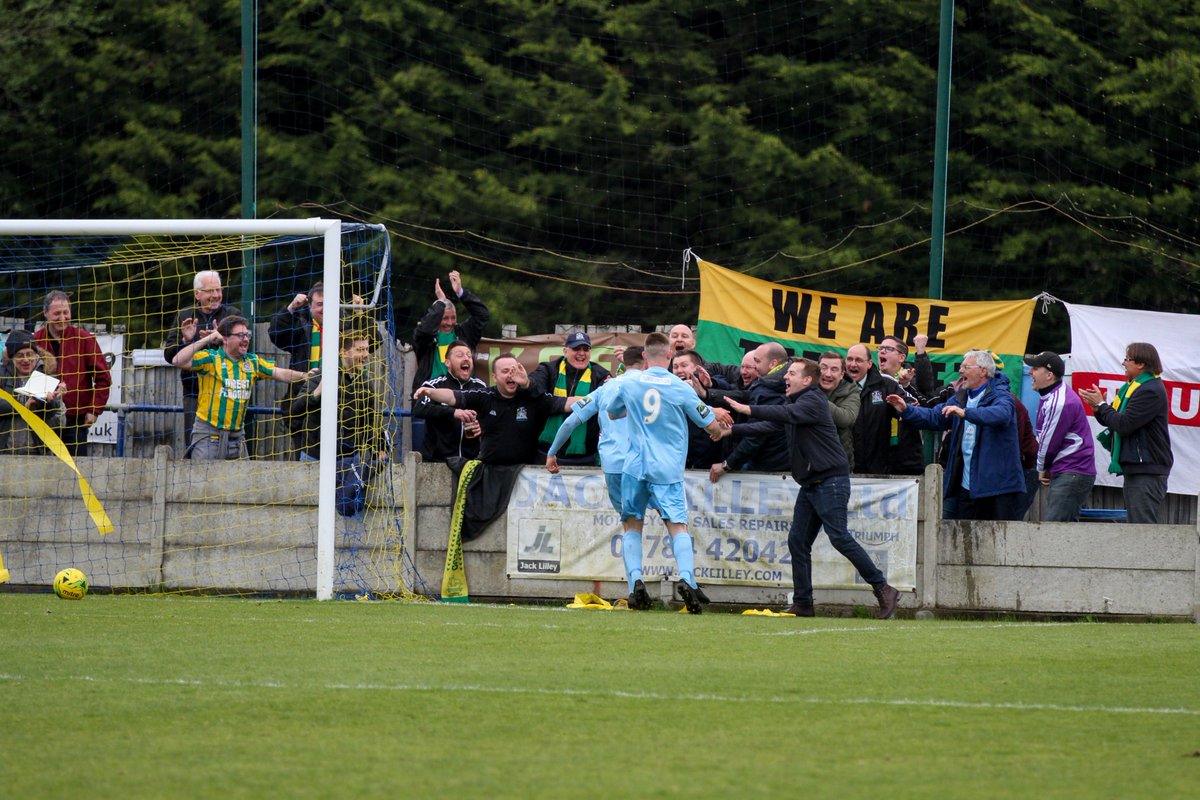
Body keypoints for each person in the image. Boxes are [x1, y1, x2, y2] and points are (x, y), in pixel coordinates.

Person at [721, 359, 900, 619]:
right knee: (798, 541)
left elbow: (783, 416)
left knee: (838, 536)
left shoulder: (813, 400)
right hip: (812, 483)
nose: (785, 377)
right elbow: (773, 426)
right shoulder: (796, 403)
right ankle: (803, 602)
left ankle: (883, 588)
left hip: (830, 481)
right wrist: (731, 430)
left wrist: (747, 408)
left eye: (791, 373)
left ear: (807, 381)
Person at [605, 332, 726, 613]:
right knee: (677, 526)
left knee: (632, 525)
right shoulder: (679, 387)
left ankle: (636, 582)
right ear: (670, 355)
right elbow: (709, 424)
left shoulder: (630, 383)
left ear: (645, 357)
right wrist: (719, 432)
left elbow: (612, 413)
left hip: (634, 466)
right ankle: (687, 579)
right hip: (667, 468)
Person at [887, 349, 1026, 520]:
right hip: (967, 487)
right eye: (961, 366)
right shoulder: (961, 396)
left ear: (983, 371)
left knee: (999, 542)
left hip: (998, 489)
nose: (960, 371)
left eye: (966, 367)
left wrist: (966, 413)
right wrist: (906, 410)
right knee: (962, 541)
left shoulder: (1001, 395)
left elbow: (1001, 414)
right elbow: (935, 416)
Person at [172, 316, 315, 460]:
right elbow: (177, 360)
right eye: (240, 335)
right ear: (225, 338)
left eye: (247, 335)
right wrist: (207, 339)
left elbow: (281, 373)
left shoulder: (252, 362)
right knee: (205, 481)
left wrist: (305, 375)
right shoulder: (211, 358)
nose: (246, 339)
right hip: (208, 436)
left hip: (237, 437)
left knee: (242, 481)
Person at [285, 331, 389, 516]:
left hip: (348, 463)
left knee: (344, 516)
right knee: (309, 517)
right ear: (344, 351)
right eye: (360, 350)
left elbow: (371, 424)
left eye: (367, 350)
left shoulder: (366, 385)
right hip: (315, 458)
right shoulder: (321, 376)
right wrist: (317, 393)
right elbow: (295, 409)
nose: (365, 355)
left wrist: (377, 449)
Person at [413, 353, 572, 466]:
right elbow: (452, 396)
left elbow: (566, 403)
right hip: (490, 471)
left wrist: (596, 399)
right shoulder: (484, 396)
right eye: (505, 372)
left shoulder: (534, 399)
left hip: (525, 474)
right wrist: (429, 391)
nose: (511, 375)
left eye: (514, 371)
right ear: (495, 377)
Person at [1079, 342, 1172, 524]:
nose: (1123, 363)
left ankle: (1146, 554)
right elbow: (1115, 421)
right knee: (1137, 526)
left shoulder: (1149, 390)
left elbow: (1125, 425)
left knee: (1142, 528)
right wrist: (1098, 409)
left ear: (1141, 364)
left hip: (1147, 469)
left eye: (1127, 359)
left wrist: (1102, 405)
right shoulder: (1135, 388)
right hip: (1139, 468)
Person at [163, 270, 242, 450]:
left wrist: (219, 342)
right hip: (194, 394)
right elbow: (169, 356)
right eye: (209, 291)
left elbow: (244, 350)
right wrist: (187, 340)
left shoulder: (232, 315)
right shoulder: (185, 316)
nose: (215, 295)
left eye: (218, 290)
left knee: (227, 448)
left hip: (225, 393)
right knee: (195, 446)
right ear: (197, 294)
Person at [33, 291, 112, 458]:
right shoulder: (34, 341)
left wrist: (94, 410)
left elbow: (103, 379)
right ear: (45, 313)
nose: (62, 318)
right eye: (57, 313)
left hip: (75, 420)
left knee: (75, 471)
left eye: (66, 312)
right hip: (43, 417)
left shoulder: (85, 340)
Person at [1023, 351, 1096, 521]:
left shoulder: (1059, 402)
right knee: (1063, 533)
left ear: (1049, 375)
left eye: (1035, 368)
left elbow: (1048, 444)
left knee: (1054, 532)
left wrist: (1041, 468)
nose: (1029, 372)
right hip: (1069, 471)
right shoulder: (1051, 395)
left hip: (1072, 472)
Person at [708, 341, 791, 481]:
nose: (754, 367)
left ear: (773, 364)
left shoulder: (770, 389)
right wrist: (708, 392)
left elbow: (757, 434)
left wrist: (727, 464)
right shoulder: (771, 382)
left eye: (757, 362)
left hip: (770, 466)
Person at [529, 330, 611, 466]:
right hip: (545, 453)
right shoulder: (548, 369)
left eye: (586, 349)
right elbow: (536, 397)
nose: (581, 353)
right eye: (576, 348)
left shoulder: (601, 375)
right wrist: (567, 403)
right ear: (565, 351)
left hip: (585, 456)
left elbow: (607, 405)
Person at [844, 343, 923, 475]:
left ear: (869, 364)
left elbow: (906, 404)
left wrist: (906, 408)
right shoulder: (838, 385)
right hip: (845, 470)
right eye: (849, 359)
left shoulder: (885, 385)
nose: (853, 364)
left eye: (858, 360)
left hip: (878, 472)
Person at [410, 270, 490, 395]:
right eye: (445, 318)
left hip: (461, 396)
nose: (450, 322)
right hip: (431, 396)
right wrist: (441, 301)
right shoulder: (424, 338)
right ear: (436, 318)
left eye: (453, 318)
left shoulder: (464, 334)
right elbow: (425, 328)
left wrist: (460, 292)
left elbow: (482, 315)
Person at [412, 340, 487, 463]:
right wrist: (453, 412)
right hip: (437, 461)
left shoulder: (480, 387)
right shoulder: (434, 385)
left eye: (469, 355)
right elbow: (419, 408)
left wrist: (482, 426)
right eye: (460, 355)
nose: (466, 358)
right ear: (447, 363)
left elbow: (492, 415)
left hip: (471, 462)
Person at [0, 330, 66, 455]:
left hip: (39, 453)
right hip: (4, 453)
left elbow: (60, 422)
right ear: (11, 357)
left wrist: (52, 403)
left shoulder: (48, 377)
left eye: (29, 354)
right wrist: (23, 405)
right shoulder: (1, 377)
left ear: (37, 355)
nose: (26, 360)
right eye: (20, 355)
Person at [670, 349, 727, 469]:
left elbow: (732, 390)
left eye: (684, 365)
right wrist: (710, 410)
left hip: (709, 464)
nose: (679, 370)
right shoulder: (668, 390)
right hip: (679, 462)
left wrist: (709, 386)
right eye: (675, 367)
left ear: (697, 367)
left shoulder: (710, 383)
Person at [817, 351, 861, 470]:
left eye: (834, 369)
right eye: (823, 368)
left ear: (842, 374)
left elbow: (846, 418)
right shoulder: (806, 385)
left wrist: (815, 397)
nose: (828, 374)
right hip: (807, 463)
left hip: (838, 465)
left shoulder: (851, 390)